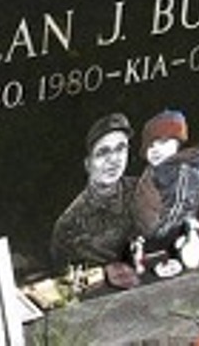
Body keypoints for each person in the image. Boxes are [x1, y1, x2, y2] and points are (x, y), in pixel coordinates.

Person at [50, 113, 139, 268]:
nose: (114, 160)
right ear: (87, 163)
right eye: (103, 152)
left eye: (120, 149)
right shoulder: (69, 224)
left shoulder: (144, 191)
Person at [131, 109, 199, 243]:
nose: (155, 149)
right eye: (150, 145)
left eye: (162, 142)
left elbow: (176, 213)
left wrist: (153, 240)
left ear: (178, 144)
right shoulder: (157, 167)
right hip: (143, 233)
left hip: (164, 240)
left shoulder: (183, 173)